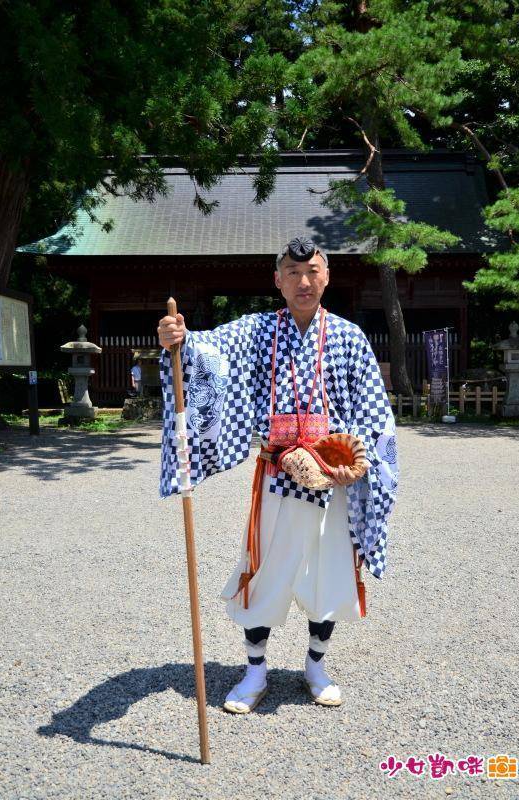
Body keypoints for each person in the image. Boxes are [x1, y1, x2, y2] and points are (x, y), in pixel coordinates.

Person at [157, 235, 399, 713]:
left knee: (329, 577)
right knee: (264, 575)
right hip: (276, 474)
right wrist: (178, 339)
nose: (303, 281)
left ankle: (315, 666)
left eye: (312, 272)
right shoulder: (257, 332)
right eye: (293, 273)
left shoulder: (350, 337)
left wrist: (358, 460)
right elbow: (207, 349)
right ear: (278, 281)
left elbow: (375, 413)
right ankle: (254, 671)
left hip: (332, 481)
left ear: (326, 277)